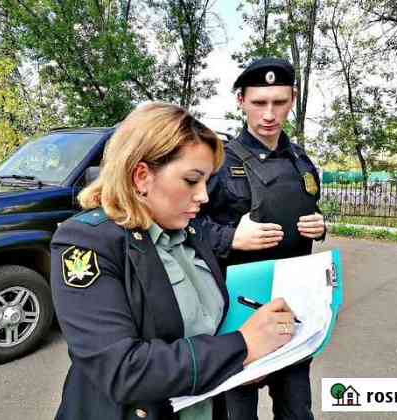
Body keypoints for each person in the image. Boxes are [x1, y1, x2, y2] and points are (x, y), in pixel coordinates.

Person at [50, 102, 297, 420]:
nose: (204, 196)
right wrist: (243, 346)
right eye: (192, 180)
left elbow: (207, 331)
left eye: (207, 181)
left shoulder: (190, 231)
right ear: (141, 177)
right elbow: (123, 369)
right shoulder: (88, 243)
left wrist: (249, 359)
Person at [198, 58, 327, 420]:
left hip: (293, 307)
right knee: (237, 412)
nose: (269, 114)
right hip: (238, 312)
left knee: (297, 408)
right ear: (241, 100)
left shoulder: (301, 160)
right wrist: (231, 238)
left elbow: (308, 207)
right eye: (258, 103)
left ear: (293, 99)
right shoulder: (218, 161)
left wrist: (320, 225)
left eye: (279, 102)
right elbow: (186, 228)